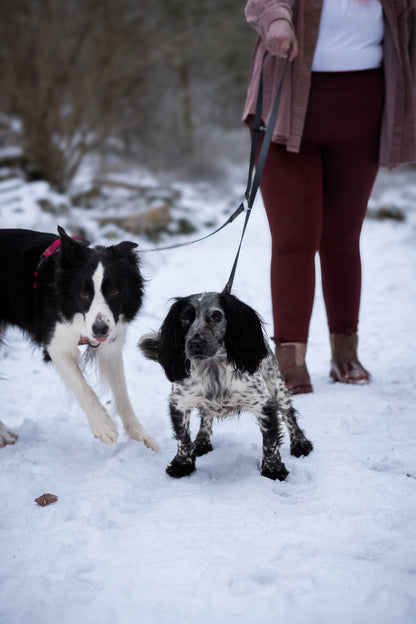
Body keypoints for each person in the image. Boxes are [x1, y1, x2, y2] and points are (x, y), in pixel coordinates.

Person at [243, 0, 416, 394]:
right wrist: (277, 22)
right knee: (294, 239)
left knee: (341, 238)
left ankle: (346, 355)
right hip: (287, 107)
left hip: (364, 112)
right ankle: (290, 363)